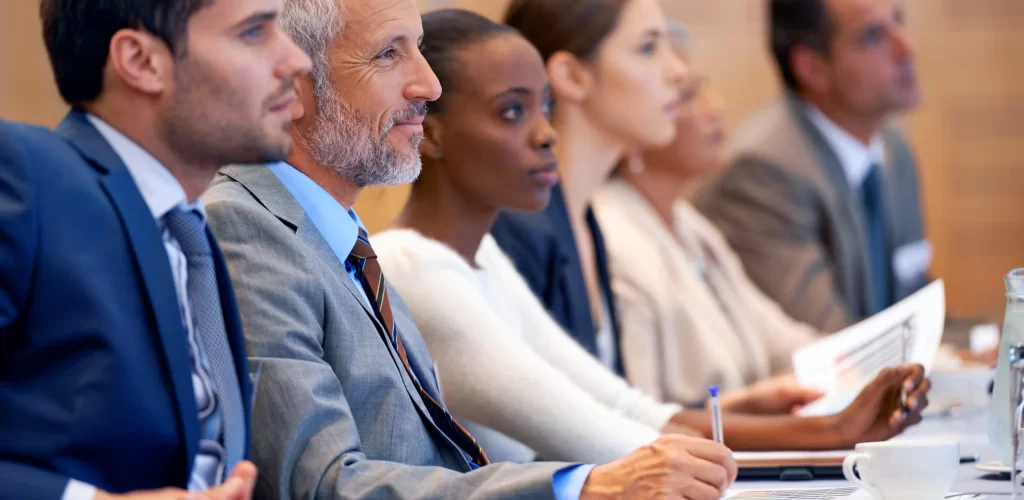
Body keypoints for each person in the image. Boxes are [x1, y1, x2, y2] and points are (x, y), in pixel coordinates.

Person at [203, 1, 738, 499]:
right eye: (389, 54)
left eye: (418, 49)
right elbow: (320, 484)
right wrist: (579, 488)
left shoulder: (340, 235)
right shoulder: (246, 226)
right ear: (293, 83)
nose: (429, 84)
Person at [372, 0, 928, 460]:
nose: (546, 134)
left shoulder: (483, 255)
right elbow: (594, 434)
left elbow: (626, 408)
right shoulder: (413, 266)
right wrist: (828, 433)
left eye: (543, 108)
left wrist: (820, 427)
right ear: (431, 133)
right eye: (513, 112)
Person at [0, 0, 311, 498]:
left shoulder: (191, 231)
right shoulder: (23, 174)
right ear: (142, 62)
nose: (298, 60)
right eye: (253, 32)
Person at [592, 20, 825, 407]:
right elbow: (635, 420)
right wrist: (743, 407)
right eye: (686, 95)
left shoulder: (689, 225)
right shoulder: (616, 236)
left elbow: (785, 342)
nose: (716, 109)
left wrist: (875, 364)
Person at [694, 0, 928, 334]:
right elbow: (831, 344)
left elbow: (915, 309)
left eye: (899, 21)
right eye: (874, 36)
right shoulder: (763, 173)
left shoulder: (893, 146)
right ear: (812, 68)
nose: (907, 49)